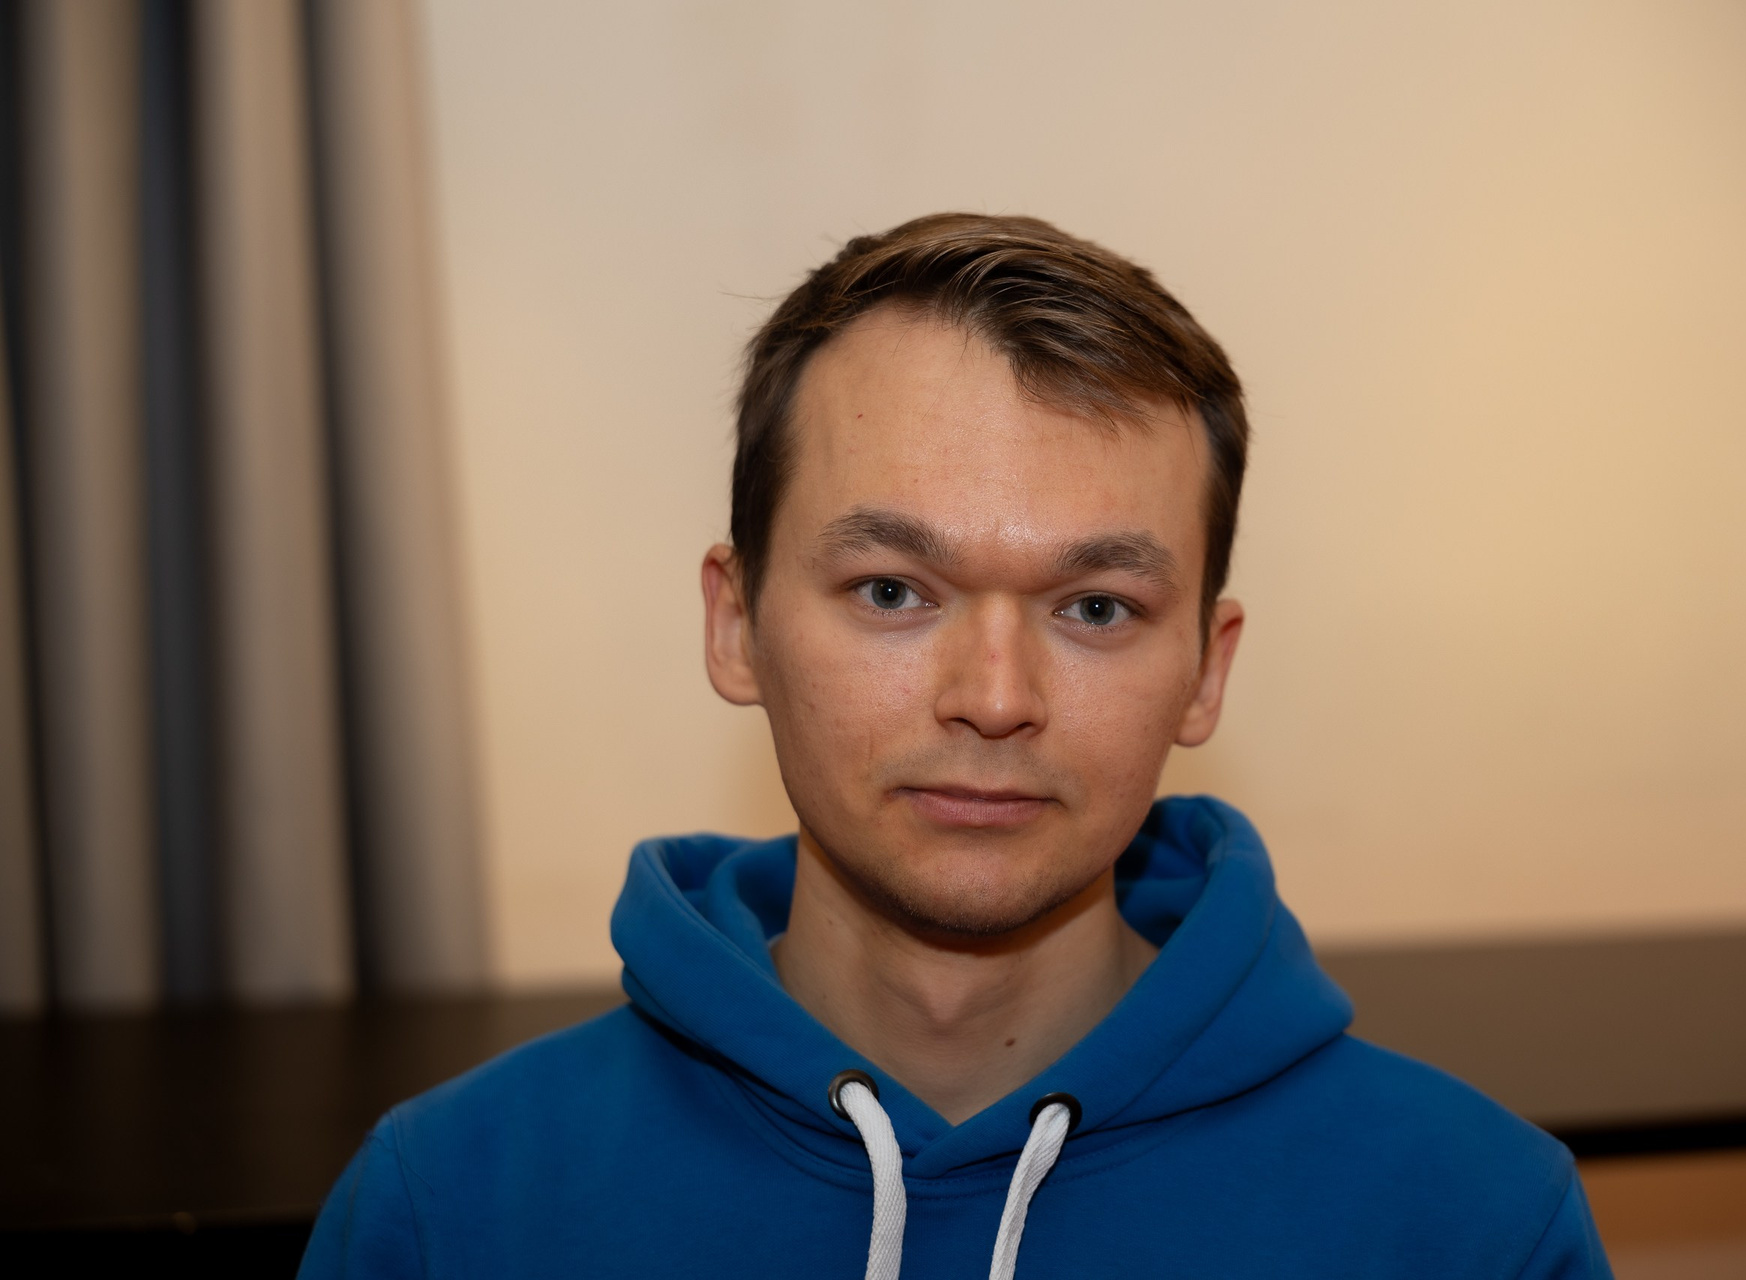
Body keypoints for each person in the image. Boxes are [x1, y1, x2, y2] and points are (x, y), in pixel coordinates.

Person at [299, 214, 1612, 1279]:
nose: (994, 699)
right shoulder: (451, 1209)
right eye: (892, 591)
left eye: (1096, 608)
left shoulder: (1473, 1223)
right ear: (736, 626)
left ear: (1206, 674)